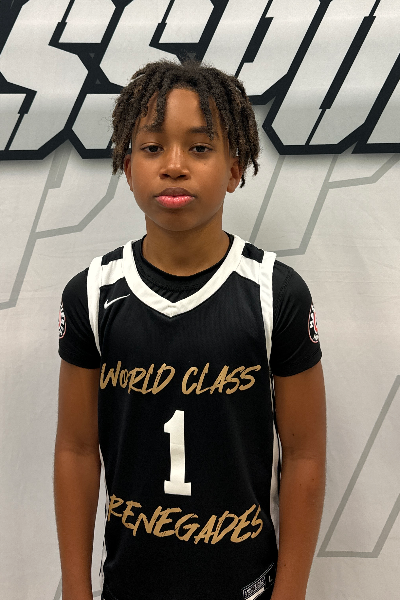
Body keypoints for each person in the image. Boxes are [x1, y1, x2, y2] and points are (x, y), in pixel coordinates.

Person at [54, 58, 326, 600]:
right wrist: (76, 591)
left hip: (246, 588)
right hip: (128, 587)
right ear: (127, 166)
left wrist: (290, 593)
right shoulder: (91, 293)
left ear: (234, 168)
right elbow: (77, 450)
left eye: (200, 148)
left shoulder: (276, 293)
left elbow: (304, 455)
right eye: (152, 147)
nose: (174, 166)